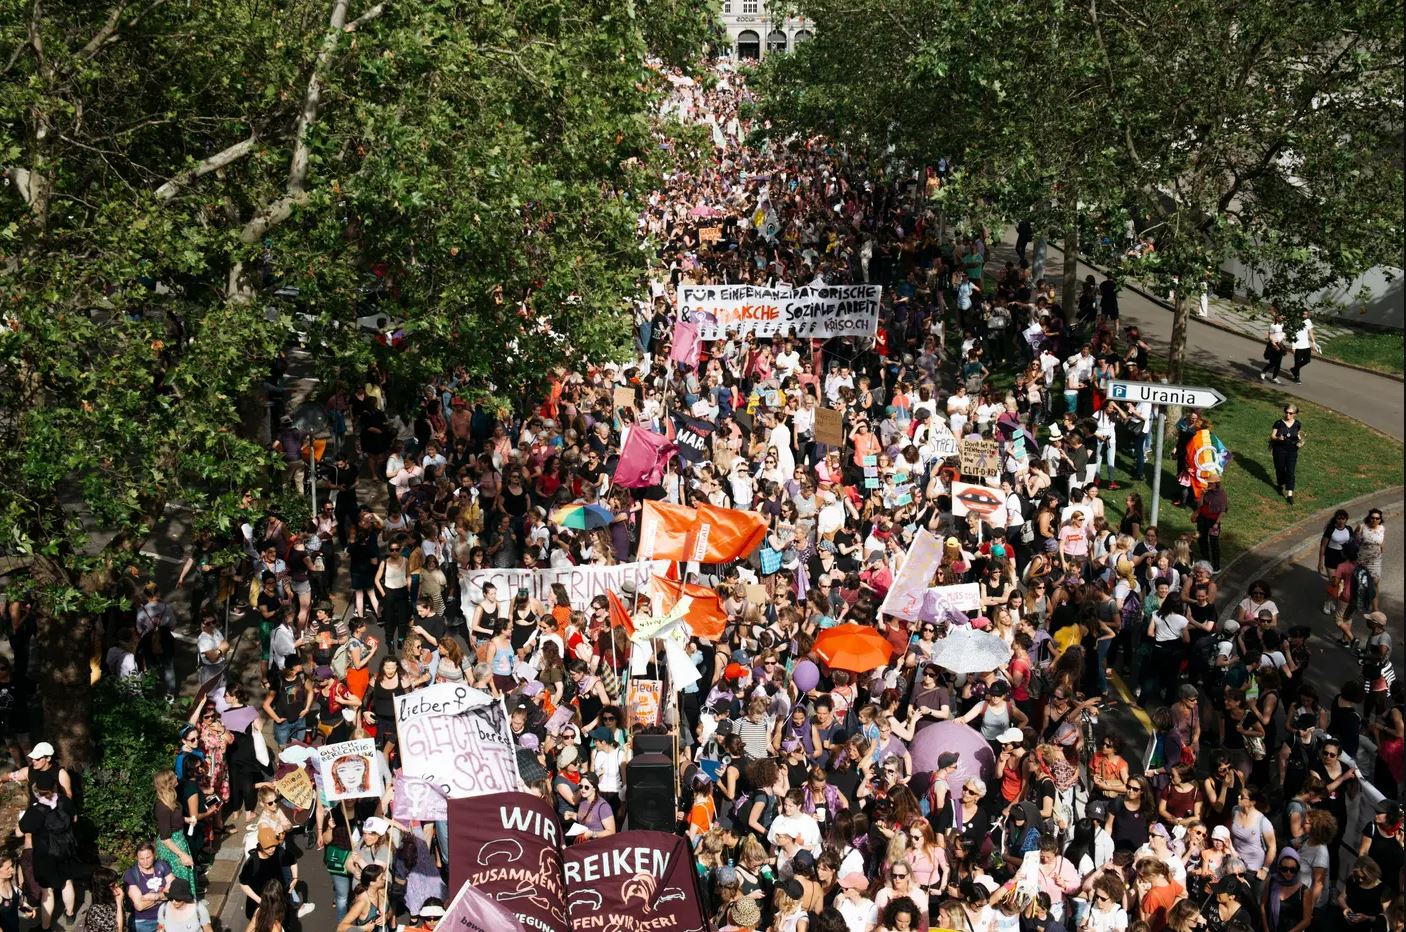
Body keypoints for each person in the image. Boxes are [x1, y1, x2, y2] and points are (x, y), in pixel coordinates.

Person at [1269, 405, 1304, 504]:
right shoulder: (1278, 423)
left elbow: (1298, 436)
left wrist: (1300, 442)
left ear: (1295, 414)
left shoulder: (1297, 424)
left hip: (1292, 450)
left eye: (1290, 413)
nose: (1287, 414)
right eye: (1286, 412)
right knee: (1280, 468)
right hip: (1279, 450)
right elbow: (1272, 436)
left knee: (1290, 471)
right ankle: (1280, 484)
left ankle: (1290, 494)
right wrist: (1277, 438)